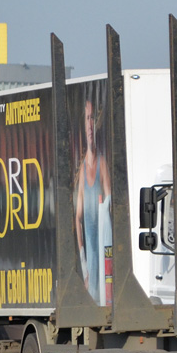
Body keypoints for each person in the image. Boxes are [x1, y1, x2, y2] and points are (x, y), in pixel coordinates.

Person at [74, 98, 112, 304]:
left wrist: (104, 205)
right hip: (90, 267)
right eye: (86, 119)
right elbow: (78, 218)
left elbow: (110, 202)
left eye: (92, 119)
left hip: (103, 261)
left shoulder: (102, 164)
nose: (89, 124)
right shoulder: (82, 171)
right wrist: (84, 264)